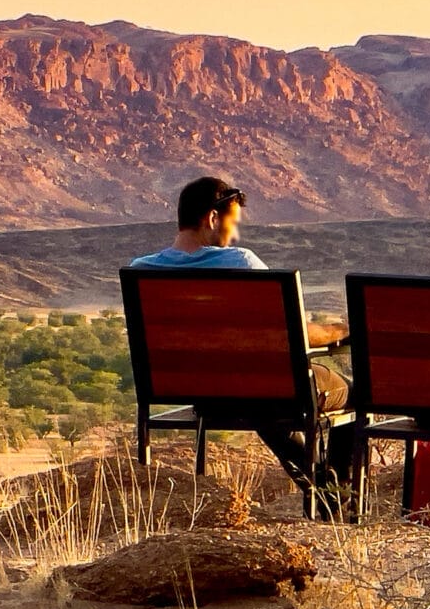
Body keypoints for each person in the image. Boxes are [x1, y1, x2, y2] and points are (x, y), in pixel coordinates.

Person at [130, 176, 358, 516]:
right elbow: (294, 331)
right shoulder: (240, 263)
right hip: (262, 391)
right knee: (351, 392)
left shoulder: (142, 270)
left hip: (203, 396)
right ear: (212, 219)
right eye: (232, 224)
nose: (235, 235)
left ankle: (326, 493)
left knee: (264, 403)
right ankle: (337, 503)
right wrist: (341, 330)